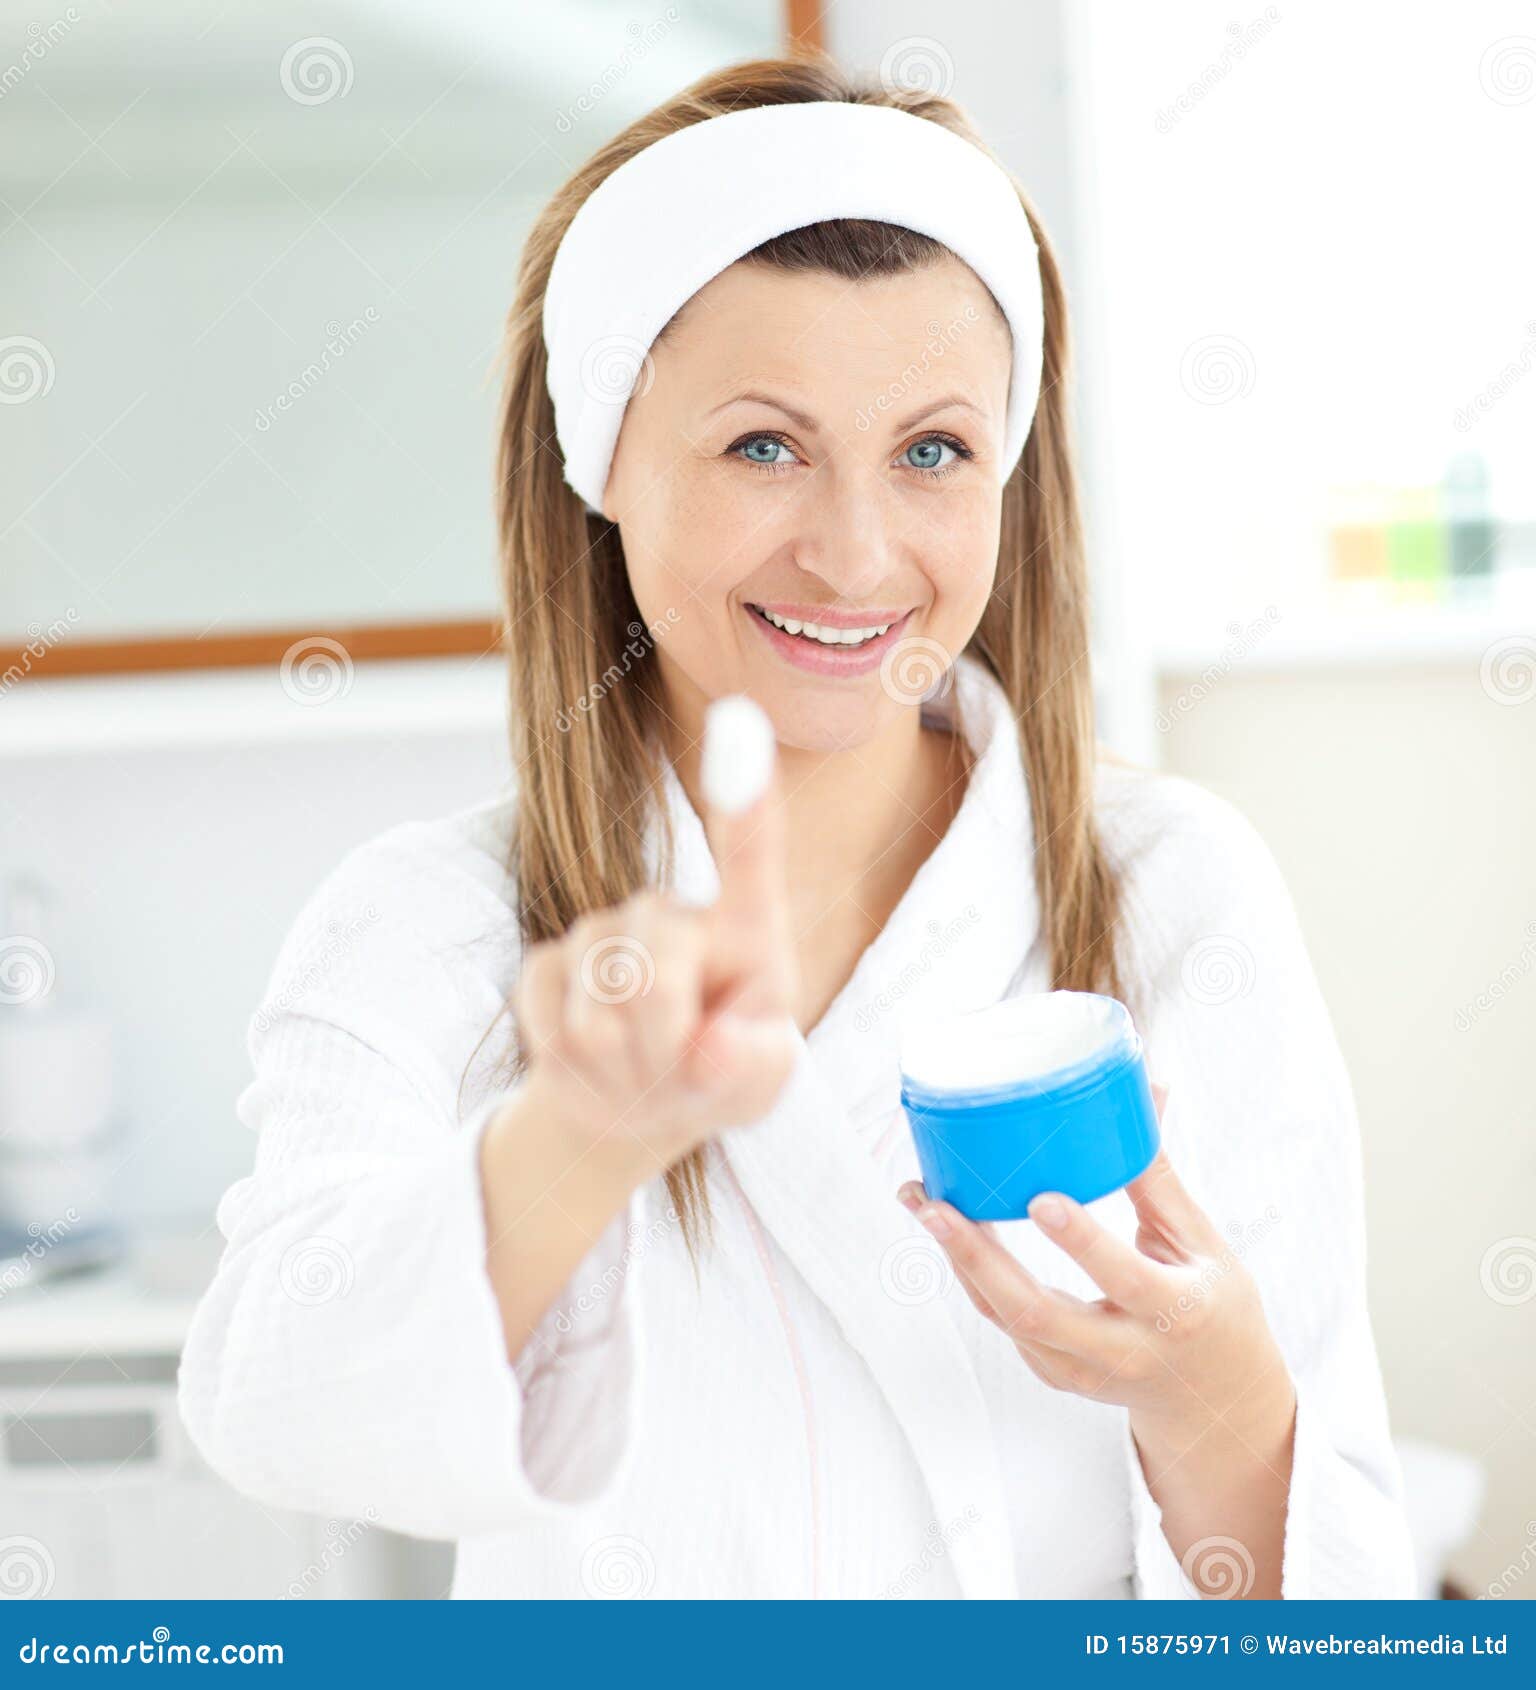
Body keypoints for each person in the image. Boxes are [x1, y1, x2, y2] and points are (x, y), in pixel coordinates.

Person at [177, 54, 1415, 1601]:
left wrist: (1215, 1401)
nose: (854, 550)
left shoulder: (1171, 891)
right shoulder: (433, 922)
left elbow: (1342, 1622)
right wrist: (573, 1144)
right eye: (763, 444)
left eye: (932, 451)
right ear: (603, 459)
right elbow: (268, 1409)